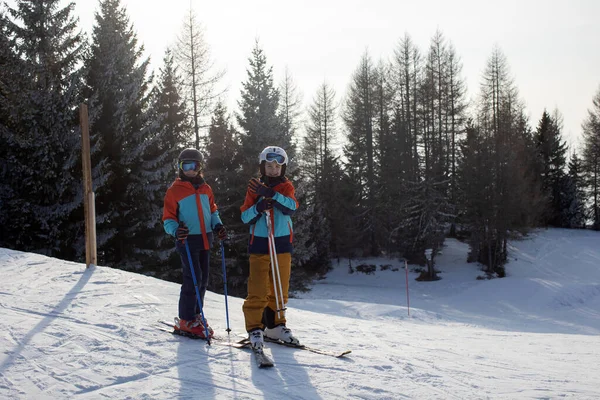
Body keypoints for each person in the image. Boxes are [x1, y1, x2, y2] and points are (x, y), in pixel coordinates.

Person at [162, 148, 227, 338]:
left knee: (204, 279)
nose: (190, 170)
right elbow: (168, 219)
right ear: (180, 168)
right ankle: (186, 319)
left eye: (194, 165)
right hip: (187, 239)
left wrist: (218, 226)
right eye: (186, 165)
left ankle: (196, 315)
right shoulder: (174, 191)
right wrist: (176, 231)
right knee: (193, 279)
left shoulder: (206, 189)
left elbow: (213, 211)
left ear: (200, 167)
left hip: (206, 238)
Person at [240, 146, 300, 350]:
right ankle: (255, 327)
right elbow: (244, 216)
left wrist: (272, 195)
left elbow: (292, 207)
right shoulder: (254, 188)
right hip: (260, 242)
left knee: (279, 288)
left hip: (281, 242)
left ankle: (275, 324)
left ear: (282, 169)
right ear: (262, 166)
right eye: (269, 165)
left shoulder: (286, 186)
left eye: (277, 166)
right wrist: (258, 206)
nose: (273, 170)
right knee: (258, 288)